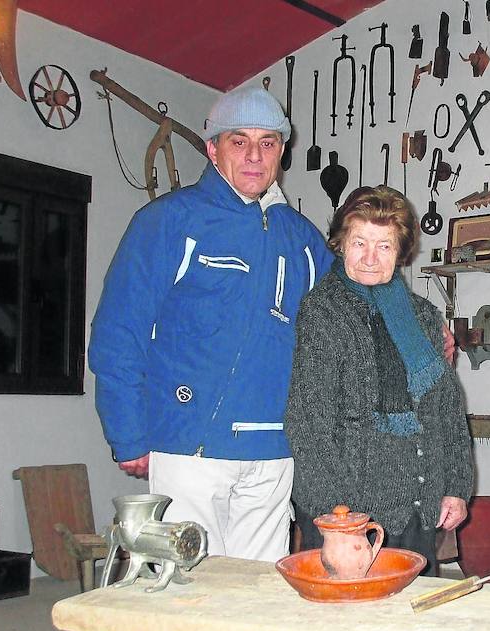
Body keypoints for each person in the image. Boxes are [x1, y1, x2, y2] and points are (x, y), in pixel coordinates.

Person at [89, 87, 334, 575]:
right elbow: (119, 332)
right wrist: (128, 432)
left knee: (261, 594)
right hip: (190, 446)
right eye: (239, 141)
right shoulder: (167, 222)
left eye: (268, 143)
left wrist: (425, 338)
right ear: (212, 148)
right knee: (190, 590)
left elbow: (350, 315)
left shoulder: (303, 238)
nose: (253, 155)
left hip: (272, 451)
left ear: (282, 152)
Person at [286, 186, 473, 575]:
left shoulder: (422, 315)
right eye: (360, 243)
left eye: (384, 246)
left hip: (416, 505)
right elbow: (309, 423)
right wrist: (336, 518)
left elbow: (446, 409)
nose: (370, 258)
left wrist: (455, 485)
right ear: (341, 244)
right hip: (349, 512)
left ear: (400, 251)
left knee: (409, 623)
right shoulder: (322, 312)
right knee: (348, 627)